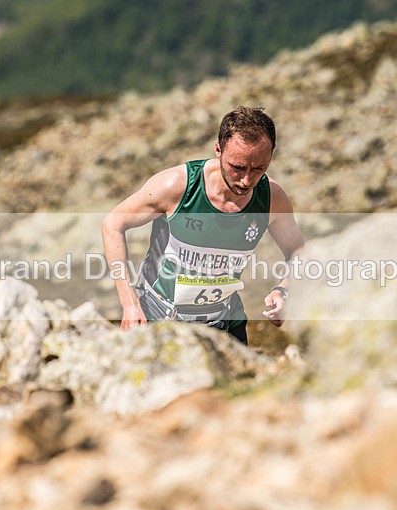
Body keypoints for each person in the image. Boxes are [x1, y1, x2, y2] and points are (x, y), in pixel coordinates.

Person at [101, 106, 305, 344]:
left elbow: (299, 252)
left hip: (226, 323)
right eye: (237, 167)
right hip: (161, 318)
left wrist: (284, 291)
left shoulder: (271, 198)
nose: (247, 180)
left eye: (259, 168)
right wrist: (129, 303)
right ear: (218, 149)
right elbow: (112, 224)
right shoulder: (176, 186)